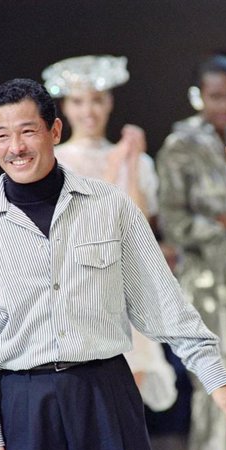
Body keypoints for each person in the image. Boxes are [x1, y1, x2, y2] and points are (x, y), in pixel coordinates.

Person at [0, 78, 226, 450]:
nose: (15, 147)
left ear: (54, 130)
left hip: (107, 394)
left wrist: (217, 381)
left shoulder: (110, 207)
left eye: (27, 132)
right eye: (3, 136)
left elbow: (164, 302)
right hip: (25, 406)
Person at [42, 55, 177, 413]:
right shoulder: (54, 162)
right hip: (77, 292)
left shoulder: (136, 160)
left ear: (110, 102)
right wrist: (113, 167)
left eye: (97, 100)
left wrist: (130, 164)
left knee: (128, 410)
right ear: (65, 108)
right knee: (86, 409)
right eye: (78, 101)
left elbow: (138, 227)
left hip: (126, 289)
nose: (89, 110)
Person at [156, 53, 226, 450]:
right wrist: (225, 222)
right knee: (212, 388)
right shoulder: (180, 147)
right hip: (204, 284)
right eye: (216, 96)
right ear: (199, 96)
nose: (225, 106)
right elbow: (172, 221)